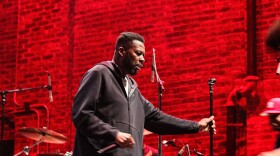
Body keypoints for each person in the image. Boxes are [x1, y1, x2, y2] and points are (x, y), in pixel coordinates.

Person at [72, 32, 216, 156]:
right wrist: (113, 134)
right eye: (138, 53)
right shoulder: (100, 73)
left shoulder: (133, 90)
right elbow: (82, 114)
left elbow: (157, 119)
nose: (143, 59)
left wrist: (196, 126)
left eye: (143, 55)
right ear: (121, 51)